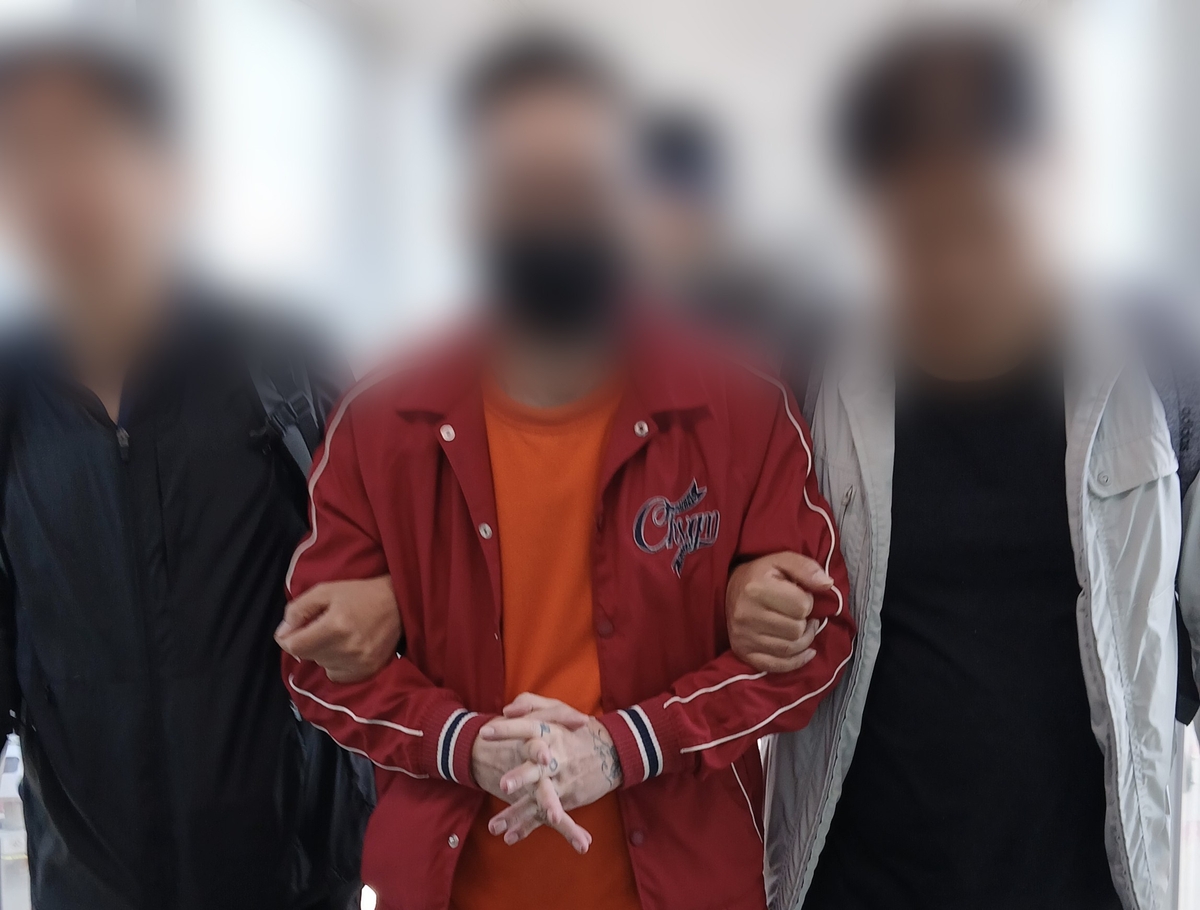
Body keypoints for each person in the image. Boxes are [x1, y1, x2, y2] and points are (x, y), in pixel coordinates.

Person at [277, 32, 854, 910]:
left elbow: (820, 640)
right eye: (523, 188)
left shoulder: (739, 405)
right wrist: (460, 743)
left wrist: (627, 747)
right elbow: (317, 665)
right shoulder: (382, 421)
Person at [724, 22, 1200, 910]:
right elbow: (713, 568)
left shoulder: (1160, 362)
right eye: (916, 235)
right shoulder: (807, 362)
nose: (952, 272)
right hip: (855, 877)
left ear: (1056, 179)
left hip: (1087, 882)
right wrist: (737, 598)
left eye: (985, 224)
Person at [0, 33, 393, 909]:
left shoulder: (279, 359)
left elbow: (439, 559)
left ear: (163, 171)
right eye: (21, 153)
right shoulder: (13, 397)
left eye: (81, 142)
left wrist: (393, 600)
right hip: (85, 890)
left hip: (289, 879)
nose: (53, 180)